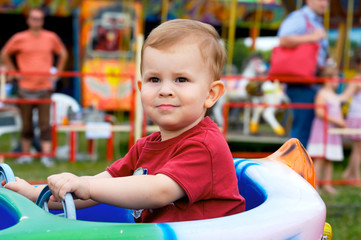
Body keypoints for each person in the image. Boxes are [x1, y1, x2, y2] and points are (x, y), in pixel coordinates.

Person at [3, 19, 245, 223]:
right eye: (154, 79)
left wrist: (87, 186)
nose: (165, 90)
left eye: (181, 79)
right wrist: (37, 195)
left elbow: (158, 190)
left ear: (211, 94)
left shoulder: (205, 145)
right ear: (141, 87)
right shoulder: (145, 147)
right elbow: (99, 186)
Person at [1, 7, 68, 167]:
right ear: (28, 20)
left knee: (45, 124)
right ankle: (25, 154)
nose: (36, 21)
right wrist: (14, 71)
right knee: (26, 124)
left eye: (39, 18)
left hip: (44, 87)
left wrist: (58, 72)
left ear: (43, 20)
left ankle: (46, 156)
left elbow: (63, 53)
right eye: (34, 18)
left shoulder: (50, 37)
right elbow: (4, 53)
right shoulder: (20, 38)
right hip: (25, 87)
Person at [277, 0, 329, 147]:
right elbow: (283, 39)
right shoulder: (300, 17)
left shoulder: (316, 21)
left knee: (305, 130)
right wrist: (313, 38)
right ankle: (294, 169)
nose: (324, 3)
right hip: (301, 82)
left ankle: (299, 167)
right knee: (301, 131)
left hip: (312, 81)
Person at [306, 64, 346, 194]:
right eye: (336, 78)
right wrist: (336, 120)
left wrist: (341, 122)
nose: (338, 81)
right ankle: (314, 184)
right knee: (320, 158)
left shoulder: (334, 95)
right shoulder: (322, 94)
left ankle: (327, 184)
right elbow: (319, 112)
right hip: (322, 130)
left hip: (332, 131)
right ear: (328, 79)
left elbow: (338, 111)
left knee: (330, 158)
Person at [341, 52, 361, 181]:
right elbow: (344, 97)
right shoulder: (356, 79)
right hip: (357, 117)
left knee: (357, 149)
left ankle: (349, 174)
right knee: (358, 149)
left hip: (357, 116)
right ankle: (355, 177)